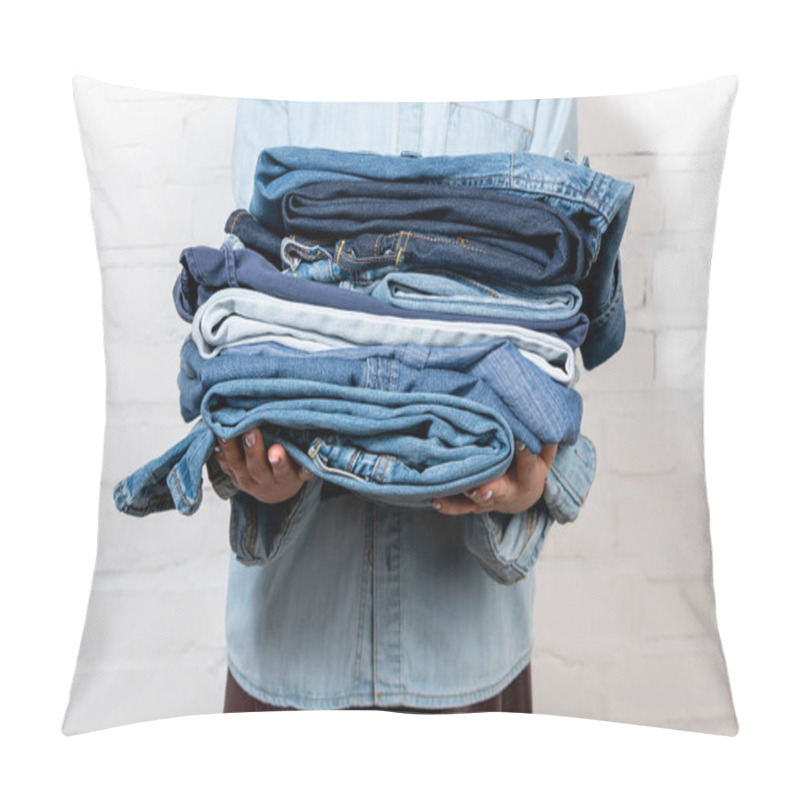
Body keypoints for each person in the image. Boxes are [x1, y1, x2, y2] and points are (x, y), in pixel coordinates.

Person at [214, 99, 583, 713]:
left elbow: (553, 336)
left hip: (465, 651)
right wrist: (253, 475)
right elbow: (247, 319)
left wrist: (528, 480)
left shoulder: (537, 78)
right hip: (290, 647)